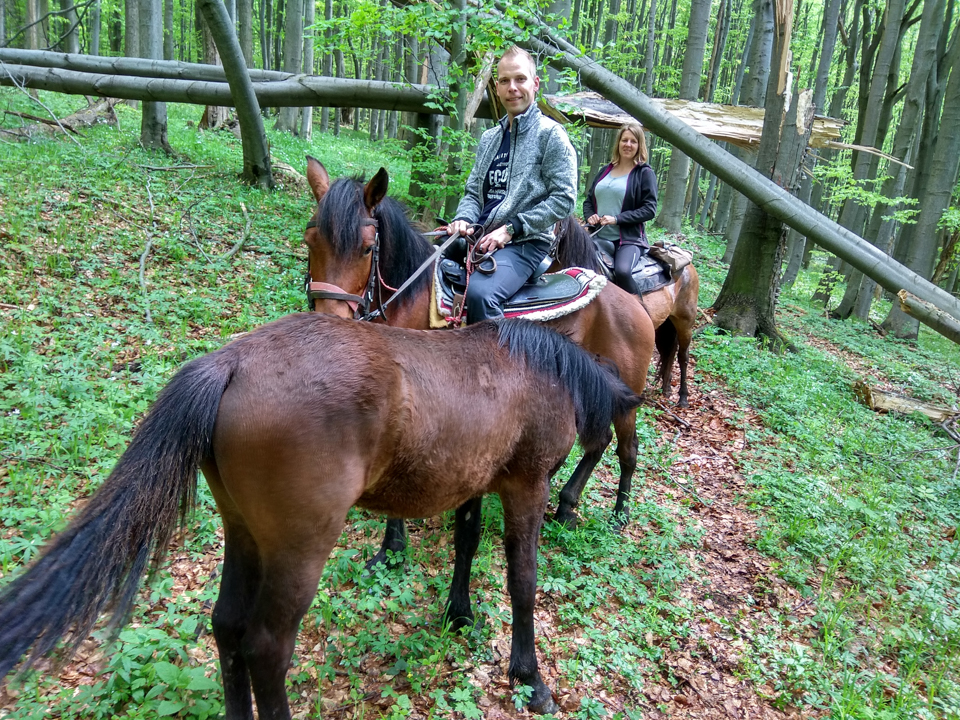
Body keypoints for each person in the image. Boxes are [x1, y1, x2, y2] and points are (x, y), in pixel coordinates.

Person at [445, 46, 578, 324]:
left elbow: (564, 199)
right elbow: (473, 193)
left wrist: (511, 229)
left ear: (535, 84)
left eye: (520, 79)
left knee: (482, 294)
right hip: (480, 236)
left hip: (526, 243)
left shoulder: (551, 135)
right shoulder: (490, 138)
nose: (512, 88)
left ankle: (493, 366)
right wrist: (462, 219)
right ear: (496, 87)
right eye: (504, 81)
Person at [583, 123, 658, 295]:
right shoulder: (605, 170)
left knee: (623, 272)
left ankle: (639, 313)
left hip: (629, 240)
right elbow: (588, 200)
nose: (628, 144)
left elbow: (649, 209)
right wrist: (590, 216)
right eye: (624, 140)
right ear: (618, 143)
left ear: (640, 145)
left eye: (633, 141)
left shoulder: (644, 173)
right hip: (598, 235)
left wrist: (617, 219)